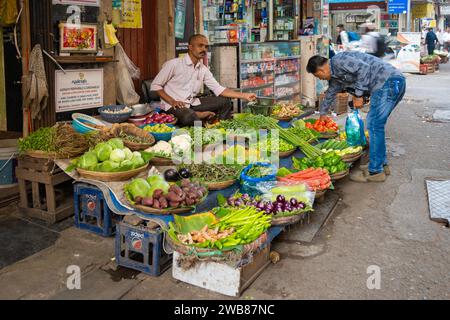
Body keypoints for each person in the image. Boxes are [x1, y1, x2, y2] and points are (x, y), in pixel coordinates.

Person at [306, 52, 406, 183]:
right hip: (392, 83)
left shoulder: (338, 61)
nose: (320, 79)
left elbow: (364, 68)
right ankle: (381, 165)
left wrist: (358, 95)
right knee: (376, 125)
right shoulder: (336, 76)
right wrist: (323, 113)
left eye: (317, 76)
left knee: (374, 125)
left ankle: (375, 172)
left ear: (321, 69)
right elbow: (331, 92)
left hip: (387, 82)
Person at [151, 34, 256, 126]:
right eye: (200, 45)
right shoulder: (174, 64)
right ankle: (200, 128)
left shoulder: (203, 69)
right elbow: (156, 85)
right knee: (189, 116)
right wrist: (172, 101)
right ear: (190, 47)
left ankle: (222, 129)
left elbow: (218, 89)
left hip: (191, 103)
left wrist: (244, 96)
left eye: (206, 46)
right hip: (172, 106)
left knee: (225, 102)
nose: (204, 49)